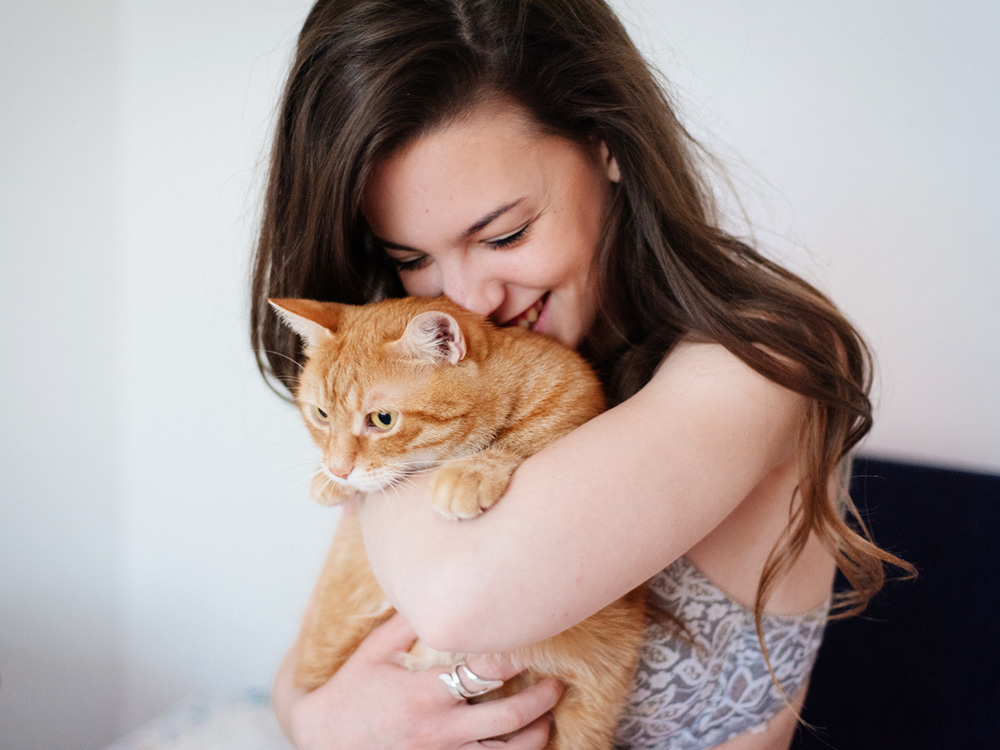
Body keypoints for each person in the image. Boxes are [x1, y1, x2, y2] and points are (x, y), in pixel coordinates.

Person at [250, 1, 911, 748]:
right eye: (412, 259)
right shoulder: (429, 369)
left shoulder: (764, 362)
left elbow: (453, 600)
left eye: (505, 234)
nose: (467, 301)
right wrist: (315, 724)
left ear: (607, 144)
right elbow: (299, 670)